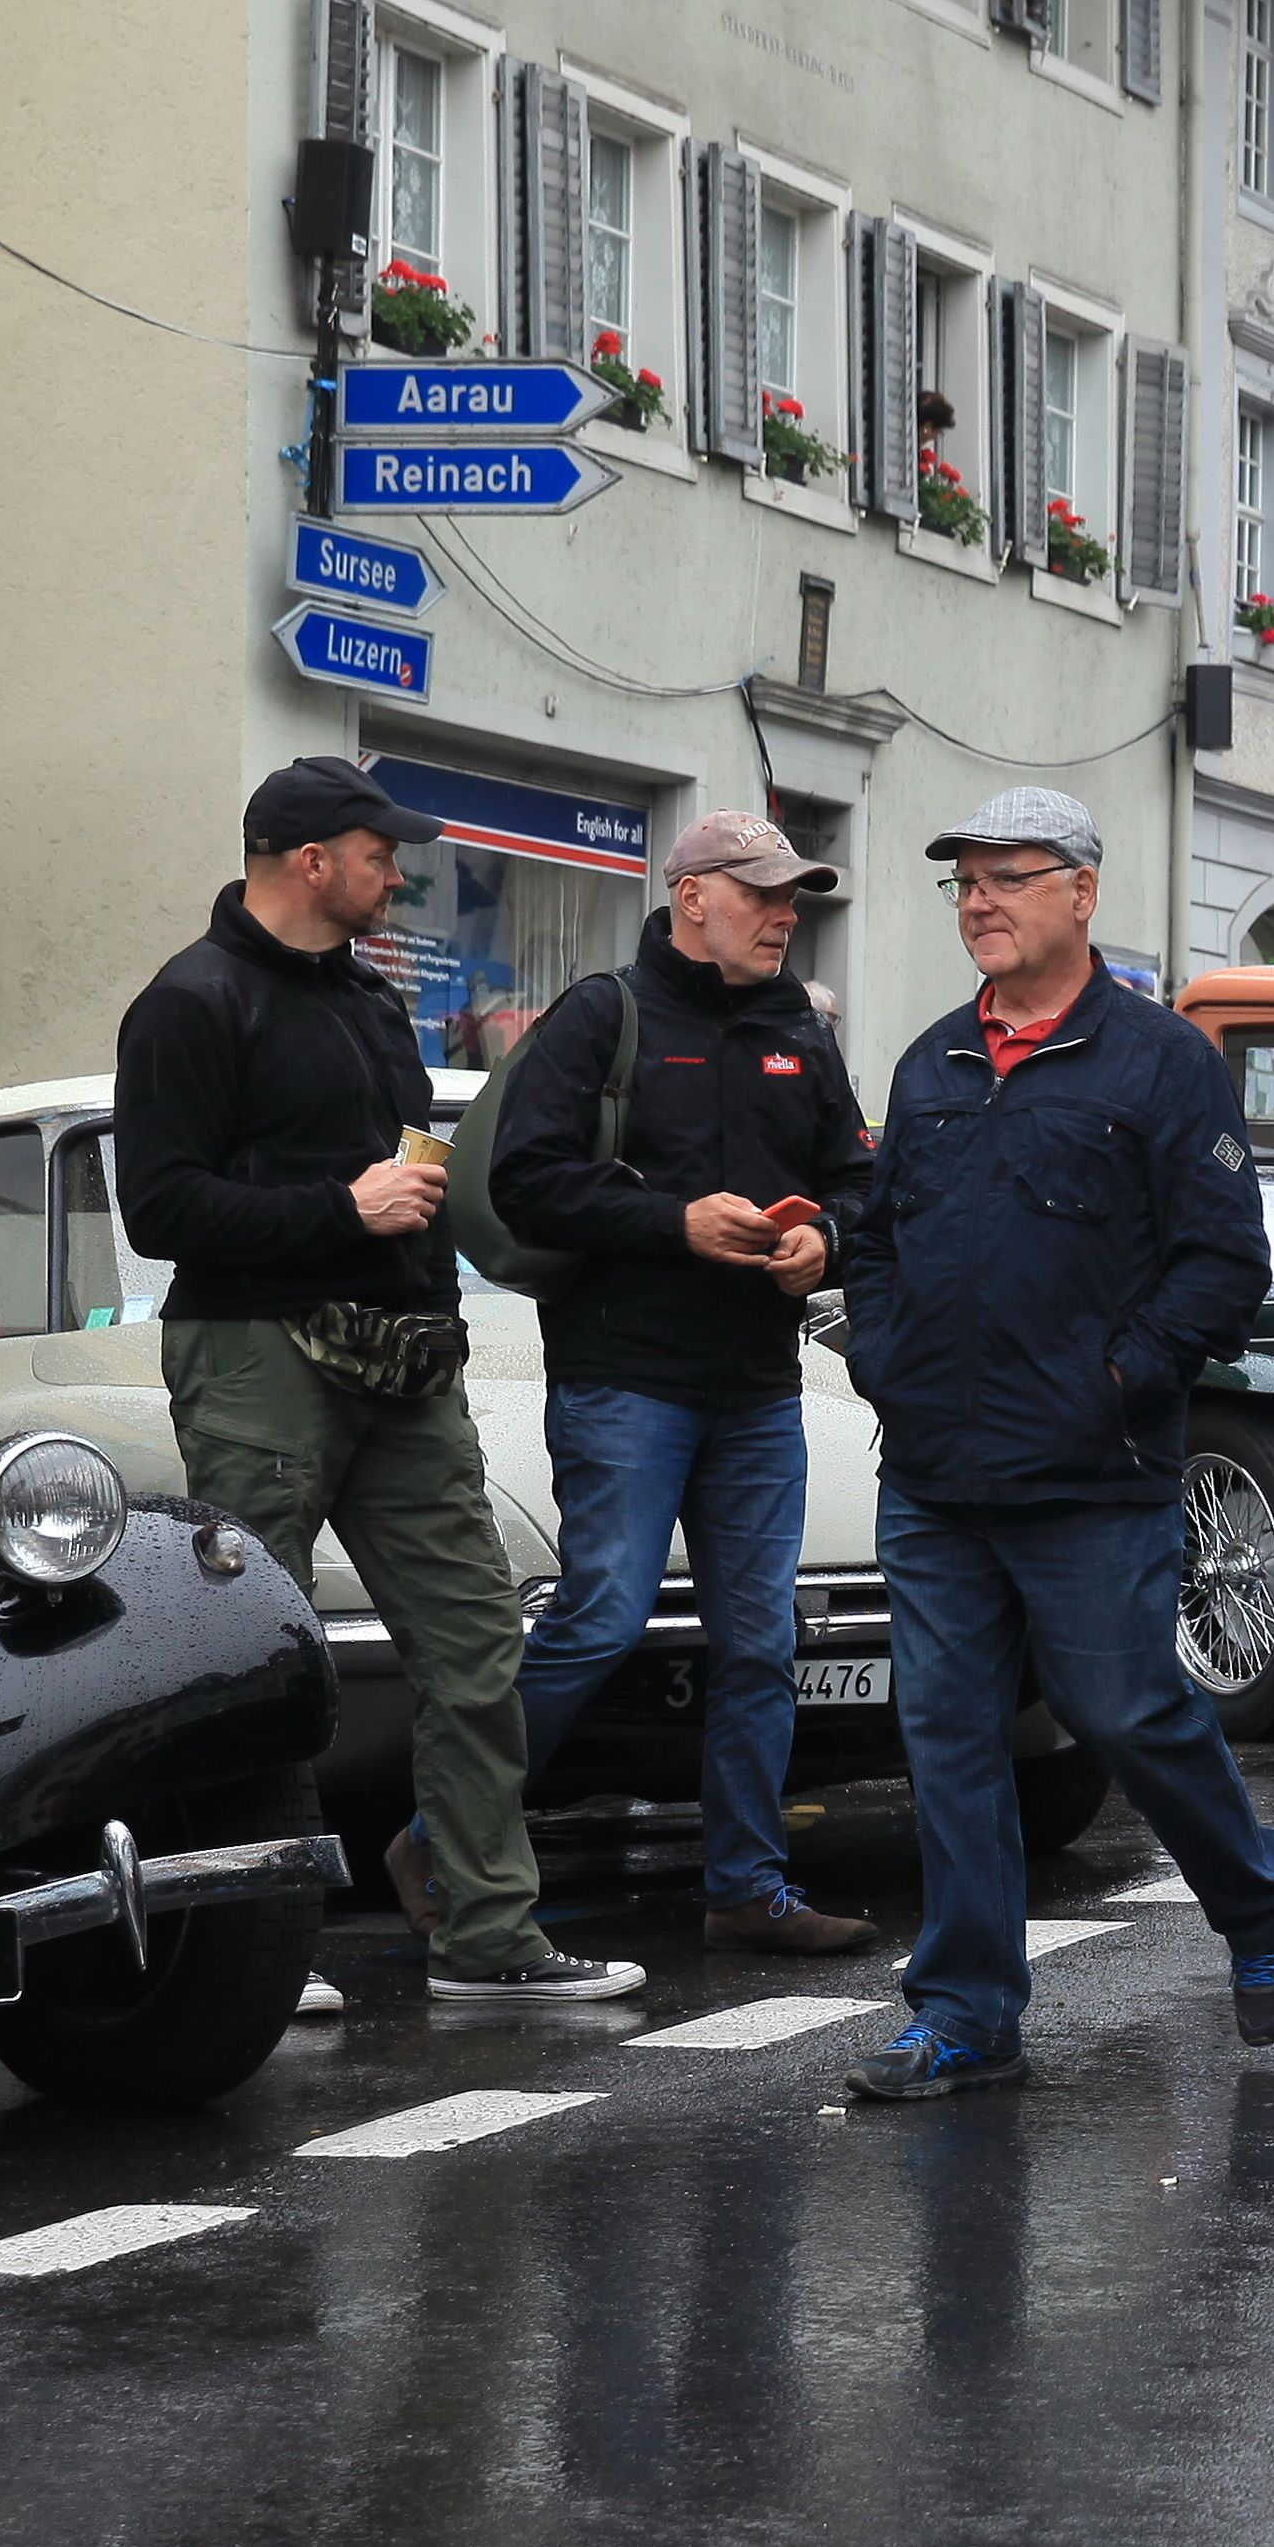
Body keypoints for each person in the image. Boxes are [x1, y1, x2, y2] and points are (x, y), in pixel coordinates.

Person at [118, 760, 637, 2008]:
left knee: (474, 1646)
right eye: (380, 853)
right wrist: (338, 1208)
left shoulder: (367, 998)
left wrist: (434, 1302)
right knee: (255, 1665)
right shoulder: (187, 1003)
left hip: (403, 1364)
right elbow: (158, 1208)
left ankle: (488, 1933)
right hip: (256, 1359)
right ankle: (250, 1955)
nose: (398, 876)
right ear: (309, 860)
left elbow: (408, 1182)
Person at [831, 787, 1274, 2095]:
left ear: (1080, 893)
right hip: (934, 1471)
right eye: (964, 882)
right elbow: (874, 1238)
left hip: (1092, 1468)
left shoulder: (1161, 1061)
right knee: (947, 1738)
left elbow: (1224, 1262)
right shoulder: (930, 1060)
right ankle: (968, 2012)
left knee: (1124, 1710)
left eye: (1006, 878)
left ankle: (1262, 1903)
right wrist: (882, 1355)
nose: (978, 902)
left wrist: (1120, 1377)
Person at [484, 811, 880, 1959]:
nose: (784, 915)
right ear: (691, 895)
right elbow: (525, 1184)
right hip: (627, 1380)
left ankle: (744, 1887)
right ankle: (445, 1833)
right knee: (600, 1619)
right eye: (762, 895)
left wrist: (831, 1249)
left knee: (761, 1643)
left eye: (793, 897)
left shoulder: (799, 1034)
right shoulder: (604, 1014)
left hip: (758, 1387)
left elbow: (862, 1187)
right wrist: (674, 1224)